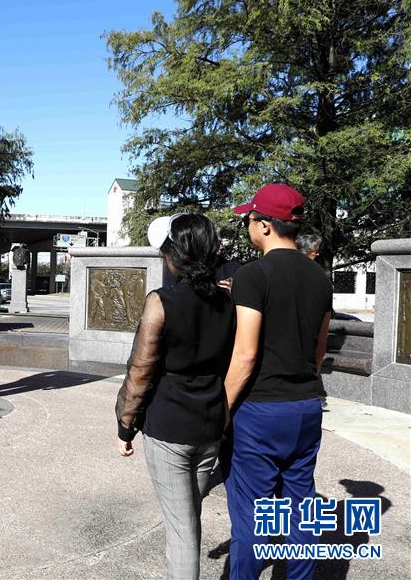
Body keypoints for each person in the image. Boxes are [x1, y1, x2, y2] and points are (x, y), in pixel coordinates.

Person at [221, 184, 333, 579]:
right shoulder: (320, 278)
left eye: (249, 220)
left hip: (260, 411)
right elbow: (319, 351)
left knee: (251, 513)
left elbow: (245, 355)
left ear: (266, 225)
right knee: (301, 507)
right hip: (306, 407)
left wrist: (221, 409)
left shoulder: (253, 275)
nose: (248, 226)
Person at [115, 213, 235, 580]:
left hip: (169, 427)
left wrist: (125, 426)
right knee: (187, 519)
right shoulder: (227, 301)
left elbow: (141, 370)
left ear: (174, 255)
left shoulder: (161, 301)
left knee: (183, 532)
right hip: (209, 424)